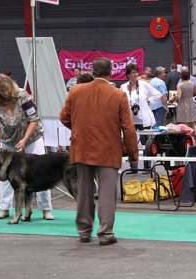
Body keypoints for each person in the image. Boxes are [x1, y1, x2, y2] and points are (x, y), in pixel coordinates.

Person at [60, 57, 139, 245]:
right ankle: (106, 234)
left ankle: (84, 232)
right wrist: (133, 154)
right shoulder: (118, 95)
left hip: (82, 148)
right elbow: (128, 128)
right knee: (107, 193)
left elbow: (64, 117)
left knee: (84, 191)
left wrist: (79, 129)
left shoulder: (75, 91)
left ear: (92, 71)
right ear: (111, 72)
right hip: (108, 150)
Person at [0, 74, 54, 220]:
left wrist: (24, 140)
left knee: (41, 171)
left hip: (31, 137)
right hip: (8, 139)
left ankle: (46, 209)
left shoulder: (22, 95)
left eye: (7, 90)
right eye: (1, 91)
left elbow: (34, 119)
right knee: (6, 173)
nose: (5, 93)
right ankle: (4, 208)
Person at [119, 64, 162, 172]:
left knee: (146, 143)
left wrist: (149, 101)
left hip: (144, 118)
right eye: (132, 73)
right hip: (130, 119)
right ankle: (133, 166)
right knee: (131, 143)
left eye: (136, 72)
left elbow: (157, 94)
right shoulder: (123, 87)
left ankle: (147, 166)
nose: (135, 75)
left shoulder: (143, 85)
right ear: (128, 75)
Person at [175, 67, 196, 135]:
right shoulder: (192, 84)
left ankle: (187, 139)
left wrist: (174, 97)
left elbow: (179, 96)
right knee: (193, 124)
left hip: (183, 104)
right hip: (191, 103)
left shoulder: (179, 85)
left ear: (181, 76)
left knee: (184, 124)